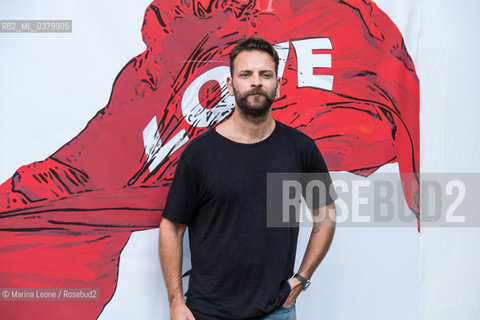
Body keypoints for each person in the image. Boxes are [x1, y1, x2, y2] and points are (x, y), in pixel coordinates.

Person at [158, 36, 337, 320]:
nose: (256, 82)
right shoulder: (200, 154)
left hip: (275, 311)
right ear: (230, 85)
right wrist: (175, 302)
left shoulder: (300, 148)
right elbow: (172, 228)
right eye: (246, 74)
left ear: (277, 84)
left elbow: (325, 212)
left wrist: (301, 279)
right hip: (207, 312)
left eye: (265, 75)